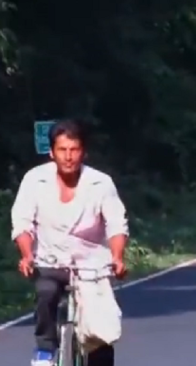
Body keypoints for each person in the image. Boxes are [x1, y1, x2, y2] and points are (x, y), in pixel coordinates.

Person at [11, 119, 129, 366]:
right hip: (49, 259)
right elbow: (23, 223)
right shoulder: (35, 180)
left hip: (92, 266)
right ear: (52, 152)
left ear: (83, 152)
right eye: (62, 150)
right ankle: (45, 349)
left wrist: (117, 257)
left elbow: (116, 223)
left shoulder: (100, 183)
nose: (68, 157)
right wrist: (26, 255)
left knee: (100, 333)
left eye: (74, 150)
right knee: (46, 292)